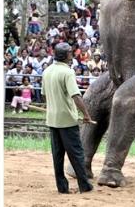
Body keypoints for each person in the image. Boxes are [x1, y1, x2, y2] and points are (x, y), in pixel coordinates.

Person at [41, 42, 94, 194]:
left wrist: (53, 108)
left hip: (52, 119)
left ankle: (62, 187)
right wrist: (86, 115)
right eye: (71, 52)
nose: (73, 54)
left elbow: (45, 95)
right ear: (66, 55)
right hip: (67, 120)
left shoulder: (47, 71)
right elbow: (76, 96)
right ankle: (84, 185)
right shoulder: (68, 72)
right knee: (76, 154)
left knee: (57, 155)